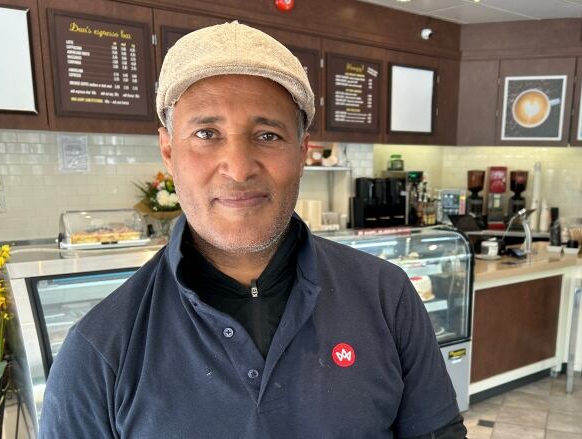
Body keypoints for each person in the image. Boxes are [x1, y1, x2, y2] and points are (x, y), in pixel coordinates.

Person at [39, 22, 465, 438]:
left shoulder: (386, 296)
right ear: (168, 150)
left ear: (302, 151)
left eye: (267, 135)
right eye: (207, 133)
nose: (239, 169)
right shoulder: (99, 351)